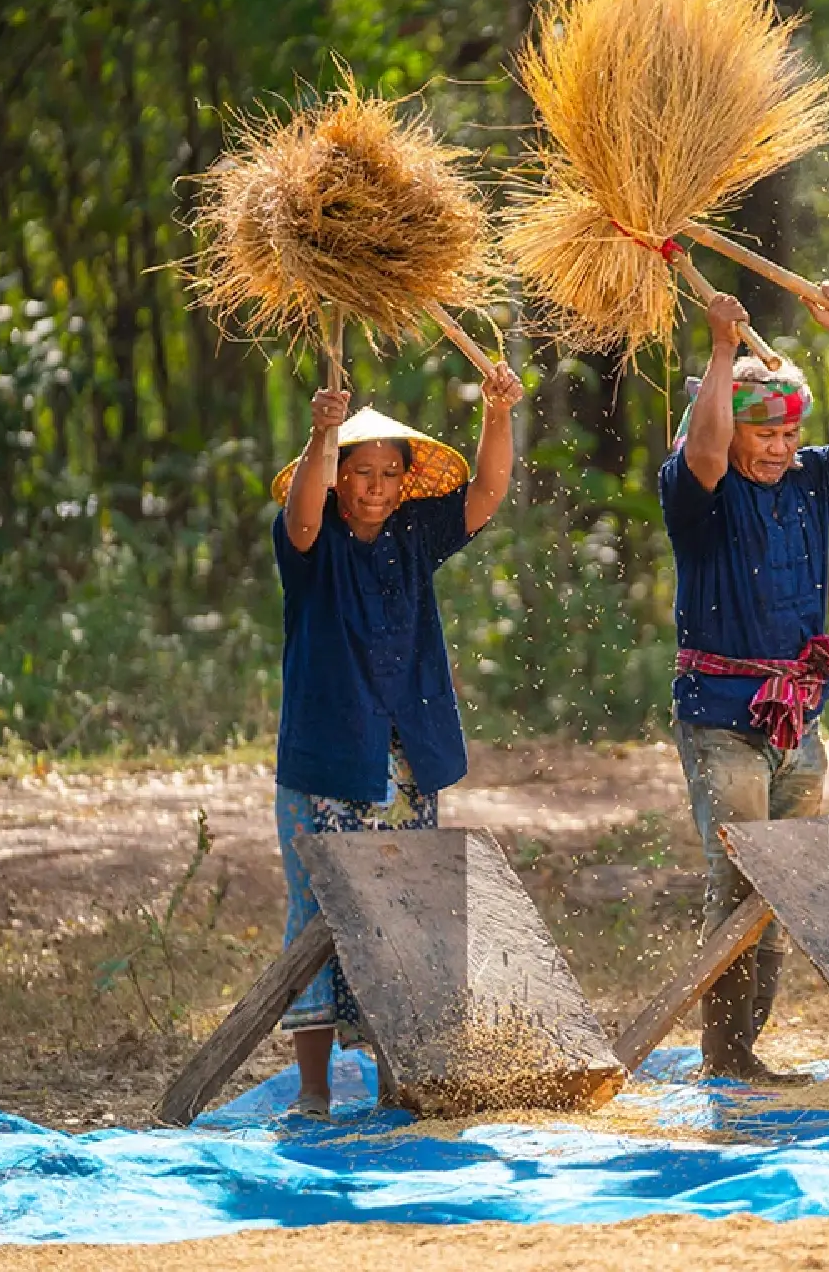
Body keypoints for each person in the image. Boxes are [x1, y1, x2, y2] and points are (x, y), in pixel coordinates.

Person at [659, 283, 829, 1082]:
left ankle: (742, 1053)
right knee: (740, 880)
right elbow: (702, 456)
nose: (777, 448)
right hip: (721, 720)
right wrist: (724, 348)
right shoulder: (699, 494)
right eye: (762, 433)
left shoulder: (810, 482)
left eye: (789, 433)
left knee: (783, 890)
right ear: (732, 430)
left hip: (796, 724)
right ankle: (725, 1056)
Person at [269, 364, 524, 1118]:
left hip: (407, 758)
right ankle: (313, 1094)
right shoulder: (309, 544)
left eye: (388, 474)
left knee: (404, 914)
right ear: (335, 478)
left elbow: (485, 496)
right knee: (317, 915)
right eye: (359, 472)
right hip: (326, 756)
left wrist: (500, 413)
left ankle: (398, 1086)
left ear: (405, 482)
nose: (374, 487)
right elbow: (304, 517)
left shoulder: (415, 536)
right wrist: (322, 432)